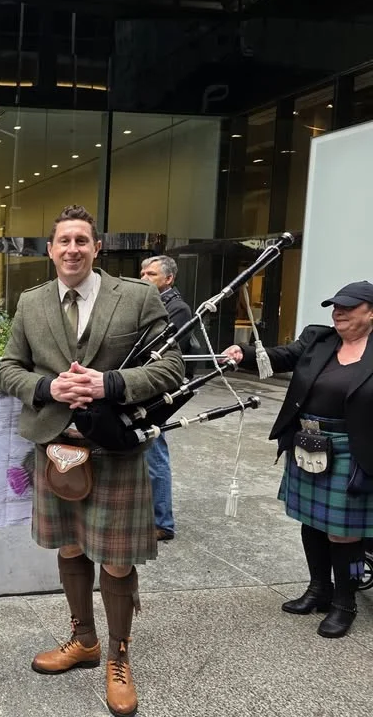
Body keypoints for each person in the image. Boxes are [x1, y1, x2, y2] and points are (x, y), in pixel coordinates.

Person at [0, 204, 183, 717]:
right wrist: (46, 387)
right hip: (58, 448)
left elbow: (171, 367)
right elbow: (6, 368)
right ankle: (84, 640)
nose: (72, 249)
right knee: (71, 546)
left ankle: (118, 657)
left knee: (117, 559)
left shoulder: (138, 296)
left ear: (97, 248)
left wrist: (110, 383)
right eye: (64, 241)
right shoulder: (31, 303)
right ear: (50, 250)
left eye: (82, 240)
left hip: (115, 450)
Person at [222, 279, 373, 639]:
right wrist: (243, 352)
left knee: (344, 533)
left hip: (354, 448)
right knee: (312, 521)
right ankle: (318, 589)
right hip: (309, 442)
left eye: (348, 307)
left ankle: (345, 603)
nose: (338, 313)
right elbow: (281, 356)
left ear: (371, 312)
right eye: (336, 306)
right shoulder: (319, 339)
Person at [139, 255, 197, 542]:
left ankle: (162, 522)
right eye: (142, 273)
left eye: (151, 274)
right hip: (143, 384)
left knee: (154, 448)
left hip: (159, 389)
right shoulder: (149, 303)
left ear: (169, 279)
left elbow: (161, 350)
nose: (143, 278)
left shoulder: (177, 308)